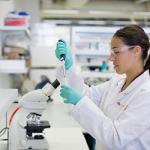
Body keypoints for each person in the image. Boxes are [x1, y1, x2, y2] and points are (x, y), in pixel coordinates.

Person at [55, 25, 150, 150]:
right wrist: (69, 67)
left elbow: (116, 138)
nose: (111, 58)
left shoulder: (146, 93)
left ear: (136, 51)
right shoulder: (117, 82)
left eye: (116, 52)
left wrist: (80, 102)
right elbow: (87, 95)